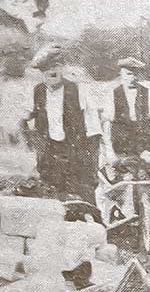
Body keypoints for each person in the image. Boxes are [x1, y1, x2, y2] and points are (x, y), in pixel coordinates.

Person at [20, 44, 102, 202]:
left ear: (62, 67)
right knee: (49, 197)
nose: (51, 72)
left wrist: (91, 165)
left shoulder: (78, 90)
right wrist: (30, 144)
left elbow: (94, 131)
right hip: (49, 157)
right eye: (46, 69)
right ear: (41, 72)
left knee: (77, 200)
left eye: (55, 66)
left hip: (75, 156)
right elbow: (23, 118)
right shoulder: (37, 92)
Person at [102, 57, 150, 164]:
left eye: (136, 74)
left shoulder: (148, 93)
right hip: (120, 146)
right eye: (129, 74)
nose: (133, 78)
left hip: (143, 146)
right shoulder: (113, 93)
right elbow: (107, 124)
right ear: (121, 74)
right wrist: (110, 151)